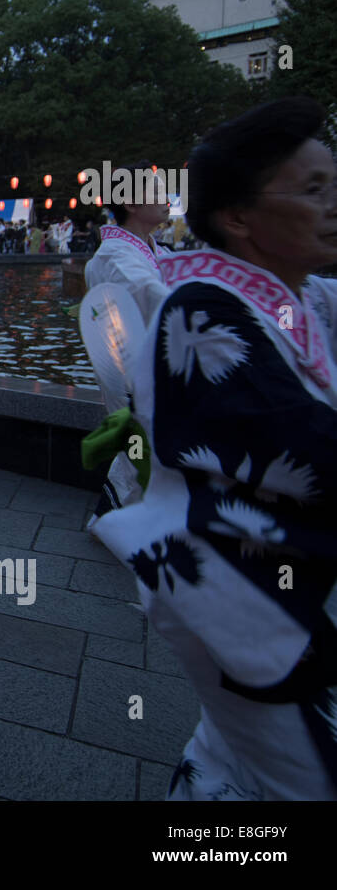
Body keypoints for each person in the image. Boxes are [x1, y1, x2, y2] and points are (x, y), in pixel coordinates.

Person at [94, 97, 337, 800]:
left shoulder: (296, 296)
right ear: (236, 216)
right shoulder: (189, 294)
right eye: (312, 189)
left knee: (230, 755)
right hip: (241, 583)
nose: (331, 203)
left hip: (243, 548)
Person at [83, 164, 173, 518]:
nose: (166, 199)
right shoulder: (114, 256)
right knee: (140, 442)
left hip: (152, 363)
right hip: (130, 367)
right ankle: (111, 517)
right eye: (157, 190)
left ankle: (116, 516)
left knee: (143, 444)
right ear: (132, 202)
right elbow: (155, 297)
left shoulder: (154, 251)